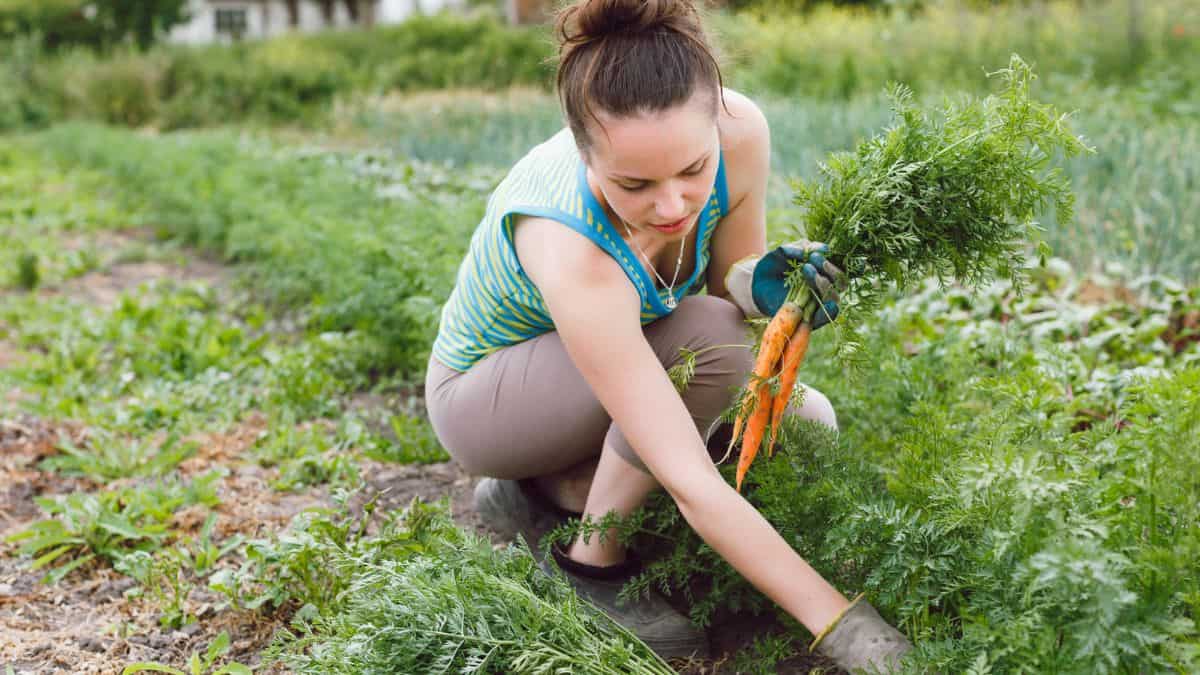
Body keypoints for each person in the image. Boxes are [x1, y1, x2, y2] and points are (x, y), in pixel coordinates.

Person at [424, 0, 912, 669]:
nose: (673, 205)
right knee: (709, 352)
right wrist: (848, 626)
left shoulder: (740, 134)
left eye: (691, 171)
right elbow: (693, 469)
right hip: (490, 398)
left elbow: (725, 300)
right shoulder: (569, 241)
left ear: (715, 118)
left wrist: (756, 286)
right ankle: (591, 562)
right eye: (635, 183)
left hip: (619, 359)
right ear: (584, 153)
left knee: (809, 423)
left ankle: (548, 493)